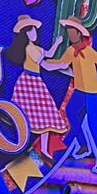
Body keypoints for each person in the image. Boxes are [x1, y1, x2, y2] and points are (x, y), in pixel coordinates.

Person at [42, 18, 97, 173]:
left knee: (94, 125)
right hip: (80, 91)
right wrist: (44, 63)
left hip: (93, 93)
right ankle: (83, 145)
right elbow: (61, 63)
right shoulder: (71, 51)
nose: (70, 34)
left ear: (79, 33)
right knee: (70, 112)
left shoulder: (88, 51)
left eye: (72, 31)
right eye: (69, 31)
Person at [5, 16, 69, 161]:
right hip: (29, 83)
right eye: (31, 30)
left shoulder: (35, 48)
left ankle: (44, 150)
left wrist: (58, 43)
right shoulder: (30, 49)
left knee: (46, 115)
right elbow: (46, 66)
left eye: (34, 30)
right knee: (27, 117)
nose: (34, 33)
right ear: (25, 33)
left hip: (36, 81)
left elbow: (49, 54)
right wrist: (61, 65)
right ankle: (20, 147)